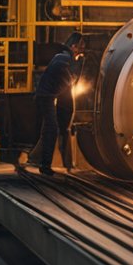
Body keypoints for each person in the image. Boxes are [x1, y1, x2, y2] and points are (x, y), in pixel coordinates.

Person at [26, 32, 86, 175]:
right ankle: (44, 165)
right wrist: (75, 74)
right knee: (51, 129)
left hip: (48, 96)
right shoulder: (63, 59)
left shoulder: (62, 58)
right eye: (80, 47)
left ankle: (36, 159)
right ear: (73, 47)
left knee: (48, 129)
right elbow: (67, 79)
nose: (81, 51)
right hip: (46, 97)